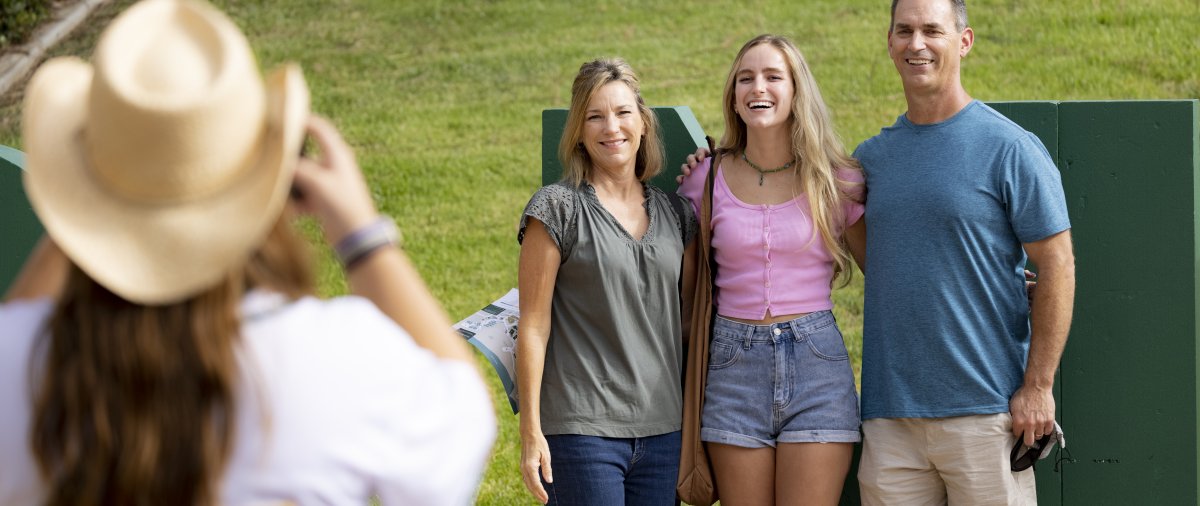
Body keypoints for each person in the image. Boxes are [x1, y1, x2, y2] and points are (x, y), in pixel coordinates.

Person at [0, 0, 495, 504]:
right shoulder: (339, 363)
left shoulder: (17, 366)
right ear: (275, 182)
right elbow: (465, 420)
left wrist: (89, 207)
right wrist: (365, 240)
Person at [852, 0, 1076, 504]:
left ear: (964, 41)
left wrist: (1038, 386)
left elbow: (1057, 262)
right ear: (889, 43)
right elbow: (880, 262)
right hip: (891, 422)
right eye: (904, 31)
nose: (917, 44)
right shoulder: (871, 160)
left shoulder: (1009, 148)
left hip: (988, 413)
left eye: (933, 30)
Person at [676, 34, 867, 505]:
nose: (757, 87)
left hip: (816, 366)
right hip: (732, 368)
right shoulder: (705, 179)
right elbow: (682, 287)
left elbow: (887, 273)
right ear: (734, 98)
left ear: (796, 90)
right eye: (746, 78)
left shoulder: (835, 179)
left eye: (772, 76)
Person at [516, 58, 697, 506]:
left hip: (664, 433)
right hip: (581, 432)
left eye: (622, 113)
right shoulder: (556, 209)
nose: (610, 127)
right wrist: (530, 431)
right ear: (579, 130)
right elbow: (533, 327)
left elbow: (689, 325)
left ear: (643, 123)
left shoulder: (679, 215)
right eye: (594, 116)